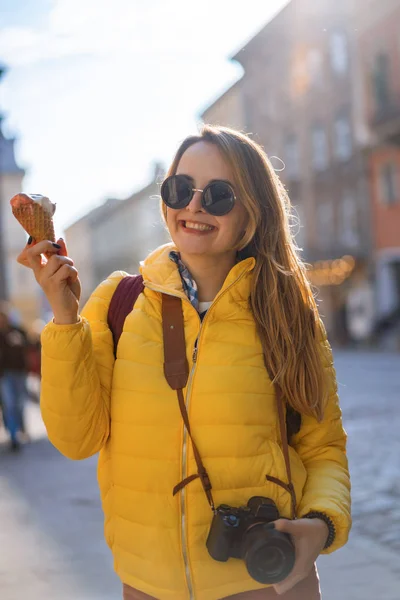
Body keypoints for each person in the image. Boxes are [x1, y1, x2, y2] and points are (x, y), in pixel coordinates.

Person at [18, 126, 351, 599]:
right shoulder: (118, 302)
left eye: (218, 195)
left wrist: (321, 526)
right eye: (180, 189)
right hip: (148, 586)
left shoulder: (287, 317)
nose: (193, 206)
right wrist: (65, 319)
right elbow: (76, 439)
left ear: (251, 216)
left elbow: (324, 449)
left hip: (266, 583)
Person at [0, 305, 29, 451]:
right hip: (4, 375)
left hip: (20, 372)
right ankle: (14, 436)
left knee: (20, 403)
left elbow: (28, 345)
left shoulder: (17, 330)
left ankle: (21, 428)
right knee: (10, 405)